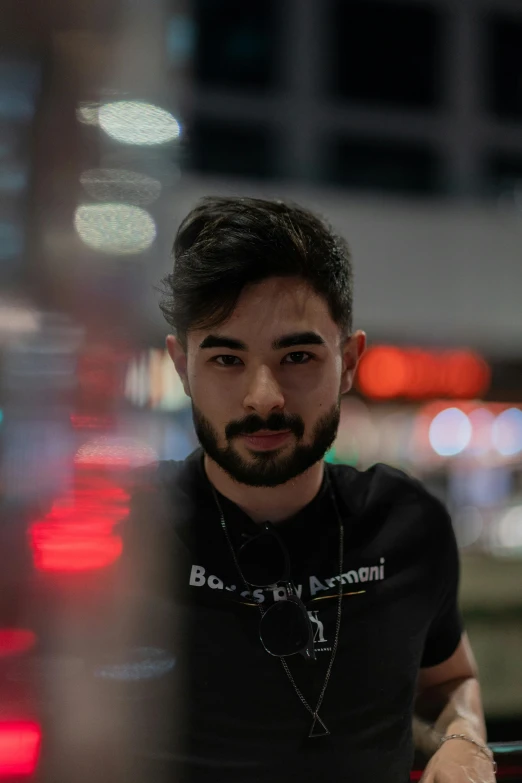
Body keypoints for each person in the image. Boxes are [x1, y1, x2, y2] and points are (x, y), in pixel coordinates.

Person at [117, 197, 495, 783]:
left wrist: (463, 737)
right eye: (225, 359)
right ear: (182, 367)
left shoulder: (408, 523)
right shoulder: (118, 529)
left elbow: (449, 680)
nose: (263, 397)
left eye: (297, 356)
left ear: (348, 362)